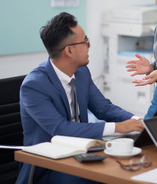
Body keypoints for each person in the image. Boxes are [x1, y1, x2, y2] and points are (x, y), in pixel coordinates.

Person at [16, 12, 144, 184]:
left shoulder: (81, 72)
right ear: (69, 50)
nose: (89, 46)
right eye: (85, 41)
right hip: (49, 166)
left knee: (128, 170)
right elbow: (60, 129)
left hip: (83, 155)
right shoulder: (34, 86)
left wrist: (137, 121)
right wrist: (119, 127)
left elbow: (103, 108)